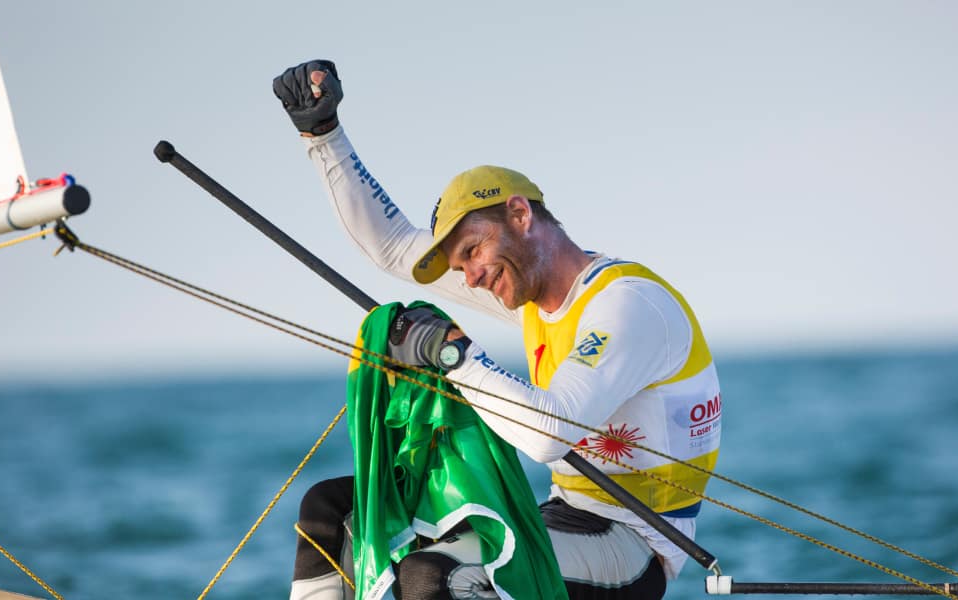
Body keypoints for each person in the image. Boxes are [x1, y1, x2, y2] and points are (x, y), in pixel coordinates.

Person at [275, 60, 723, 600]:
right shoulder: (530, 295)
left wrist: (453, 355)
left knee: (436, 575)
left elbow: (549, 434)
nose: (470, 277)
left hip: (635, 544)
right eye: (459, 266)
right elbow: (392, 245)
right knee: (332, 511)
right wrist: (323, 136)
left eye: (473, 251)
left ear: (519, 215)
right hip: (561, 515)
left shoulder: (627, 305)